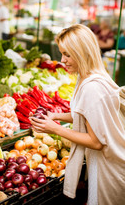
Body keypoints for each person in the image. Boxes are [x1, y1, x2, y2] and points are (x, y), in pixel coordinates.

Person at [30, 24, 125, 205]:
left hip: (109, 164)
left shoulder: (92, 87)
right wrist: (56, 116)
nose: (62, 60)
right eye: (61, 53)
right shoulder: (89, 75)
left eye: (68, 54)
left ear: (83, 52)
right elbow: (88, 116)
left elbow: (96, 141)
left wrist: (55, 129)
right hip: (108, 158)